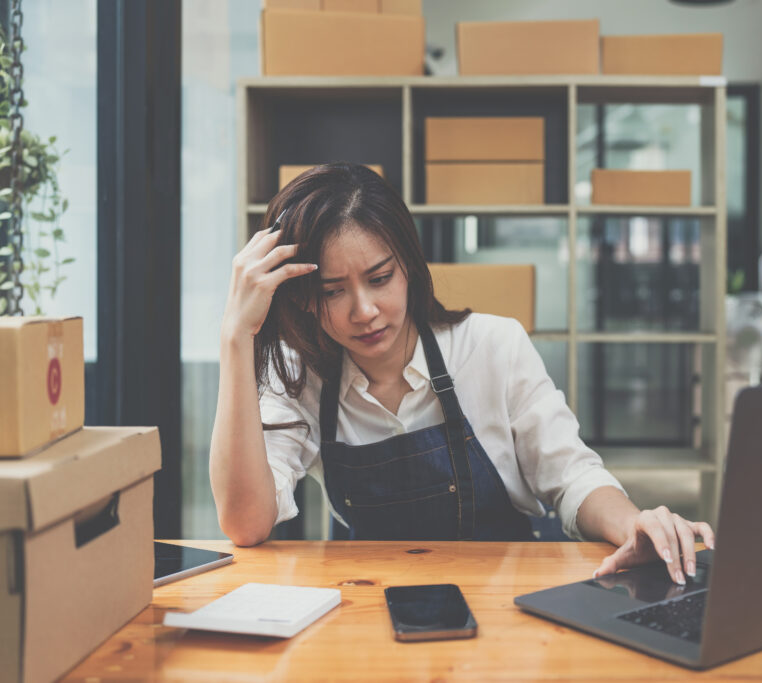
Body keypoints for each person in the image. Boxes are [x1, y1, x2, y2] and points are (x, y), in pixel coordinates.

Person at [209, 162, 714, 584]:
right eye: (332, 290)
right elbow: (246, 523)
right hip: (368, 602)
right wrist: (236, 338)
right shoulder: (299, 375)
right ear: (301, 296)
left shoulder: (493, 344)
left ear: (409, 265)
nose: (364, 310)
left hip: (508, 598)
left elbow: (571, 477)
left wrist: (633, 524)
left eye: (380, 278)